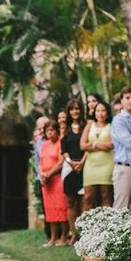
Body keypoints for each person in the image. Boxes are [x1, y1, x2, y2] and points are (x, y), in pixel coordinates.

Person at [80, 101, 114, 210]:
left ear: (107, 113)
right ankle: (86, 226)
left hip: (107, 165)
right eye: (98, 111)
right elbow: (82, 146)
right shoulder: (89, 125)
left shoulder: (111, 126)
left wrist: (94, 144)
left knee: (106, 197)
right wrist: (101, 145)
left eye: (103, 110)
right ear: (94, 113)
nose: (100, 113)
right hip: (90, 166)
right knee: (88, 197)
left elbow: (111, 145)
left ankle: (106, 225)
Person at [40, 119, 68, 245]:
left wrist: (49, 174)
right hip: (46, 181)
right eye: (47, 131)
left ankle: (63, 236)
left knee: (61, 208)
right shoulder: (44, 144)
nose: (49, 133)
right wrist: (42, 174)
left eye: (52, 130)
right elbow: (40, 162)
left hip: (56, 179)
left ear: (57, 131)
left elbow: (60, 162)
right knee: (49, 209)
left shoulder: (60, 143)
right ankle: (52, 237)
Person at [61, 99, 86, 244]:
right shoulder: (65, 129)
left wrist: (81, 163)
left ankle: (83, 234)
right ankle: (73, 233)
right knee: (71, 202)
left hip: (84, 166)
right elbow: (63, 150)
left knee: (83, 203)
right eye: (72, 109)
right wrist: (72, 163)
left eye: (77, 109)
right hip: (69, 167)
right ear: (69, 112)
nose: (75, 111)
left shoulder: (86, 126)